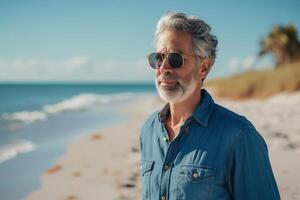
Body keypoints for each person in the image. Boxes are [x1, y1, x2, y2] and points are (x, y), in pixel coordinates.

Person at [139, 11, 281, 200]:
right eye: (158, 58)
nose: (163, 67)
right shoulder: (149, 130)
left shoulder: (239, 136)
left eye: (175, 58)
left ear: (203, 67)